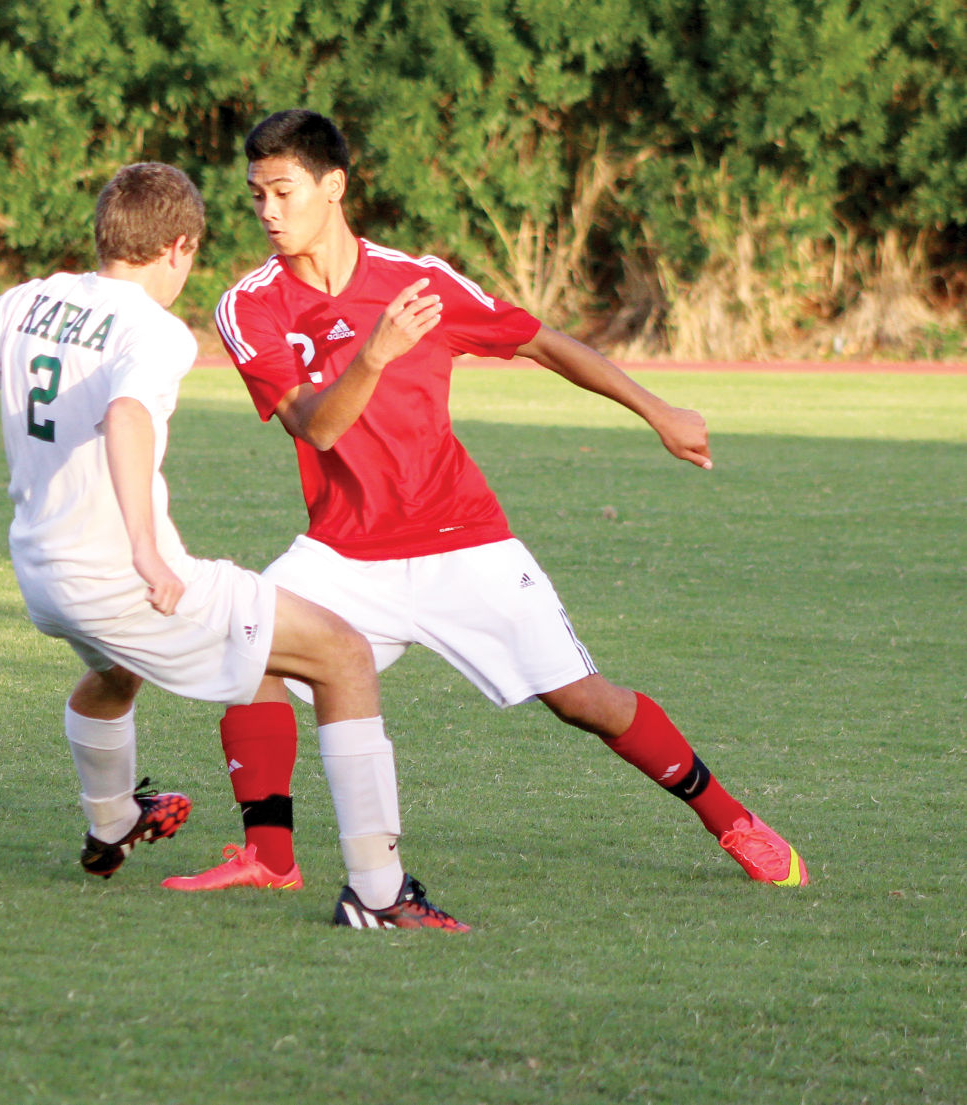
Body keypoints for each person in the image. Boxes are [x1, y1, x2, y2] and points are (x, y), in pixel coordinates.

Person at [0, 162, 468, 932]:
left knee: (117, 671)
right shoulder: (156, 333)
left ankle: (110, 823)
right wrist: (147, 552)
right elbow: (128, 418)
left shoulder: (31, 302)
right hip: (117, 575)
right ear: (181, 248)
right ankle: (379, 890)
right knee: (343, 654)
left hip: (41, 577)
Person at [163, 110, 808, 894]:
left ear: (333, 187)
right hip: (344, 553)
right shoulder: (251, 307)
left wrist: (659, 411)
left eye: (282, 191)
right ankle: (270, 856)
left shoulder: (419, 281)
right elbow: (320, 428)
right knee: (248, 651)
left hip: (461, 539)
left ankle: (731, 819)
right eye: (256, 193)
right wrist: (374, 355)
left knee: (587, 702)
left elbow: (541, 339)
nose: (266, 210)